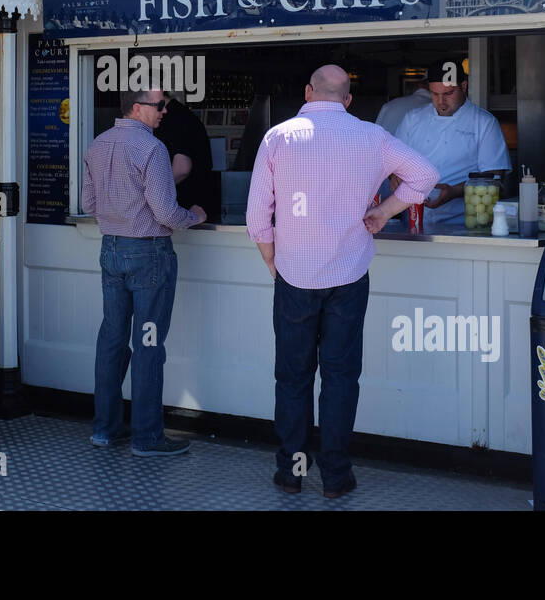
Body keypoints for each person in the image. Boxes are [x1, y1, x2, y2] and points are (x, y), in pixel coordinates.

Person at [246, 65, 439, 497]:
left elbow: (257, 217)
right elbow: (424, 175)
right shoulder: (372, 137)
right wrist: (384, 212)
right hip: (349, 277)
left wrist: (273, 262)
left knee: (293, 377)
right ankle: (335, 476)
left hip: (294, 277)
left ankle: (291, 471)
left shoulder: (279, 137)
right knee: (340, 377)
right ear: (348, 99)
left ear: (308, 92)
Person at [82, 87, 206, 456]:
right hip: (149, 253)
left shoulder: (97, 145)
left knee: (112, 341)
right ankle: (147, 437)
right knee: (149, 345)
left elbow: (89, 203)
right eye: (159, 106)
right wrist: (195, 216)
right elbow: (167, 213)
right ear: (136, 108)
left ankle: (104, 430)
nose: (165, 111)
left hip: (111, 251)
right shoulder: (152, 149)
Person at [394, 58, 510, 228]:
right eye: (435, 94)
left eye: (448, 94)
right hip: (414, 219)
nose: (441, 101)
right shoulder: (413, 119)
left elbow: (494, 177)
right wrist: (394, 175)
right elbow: (395, 159)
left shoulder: (484, 122)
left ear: (464, 87)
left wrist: (454, 192)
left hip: (462, 223)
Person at [156, 93, 219, 222]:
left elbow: (182, 168)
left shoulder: (174, 119)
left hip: (191, 207)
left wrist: (152, 191)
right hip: (192, 206)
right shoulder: (181, 115)